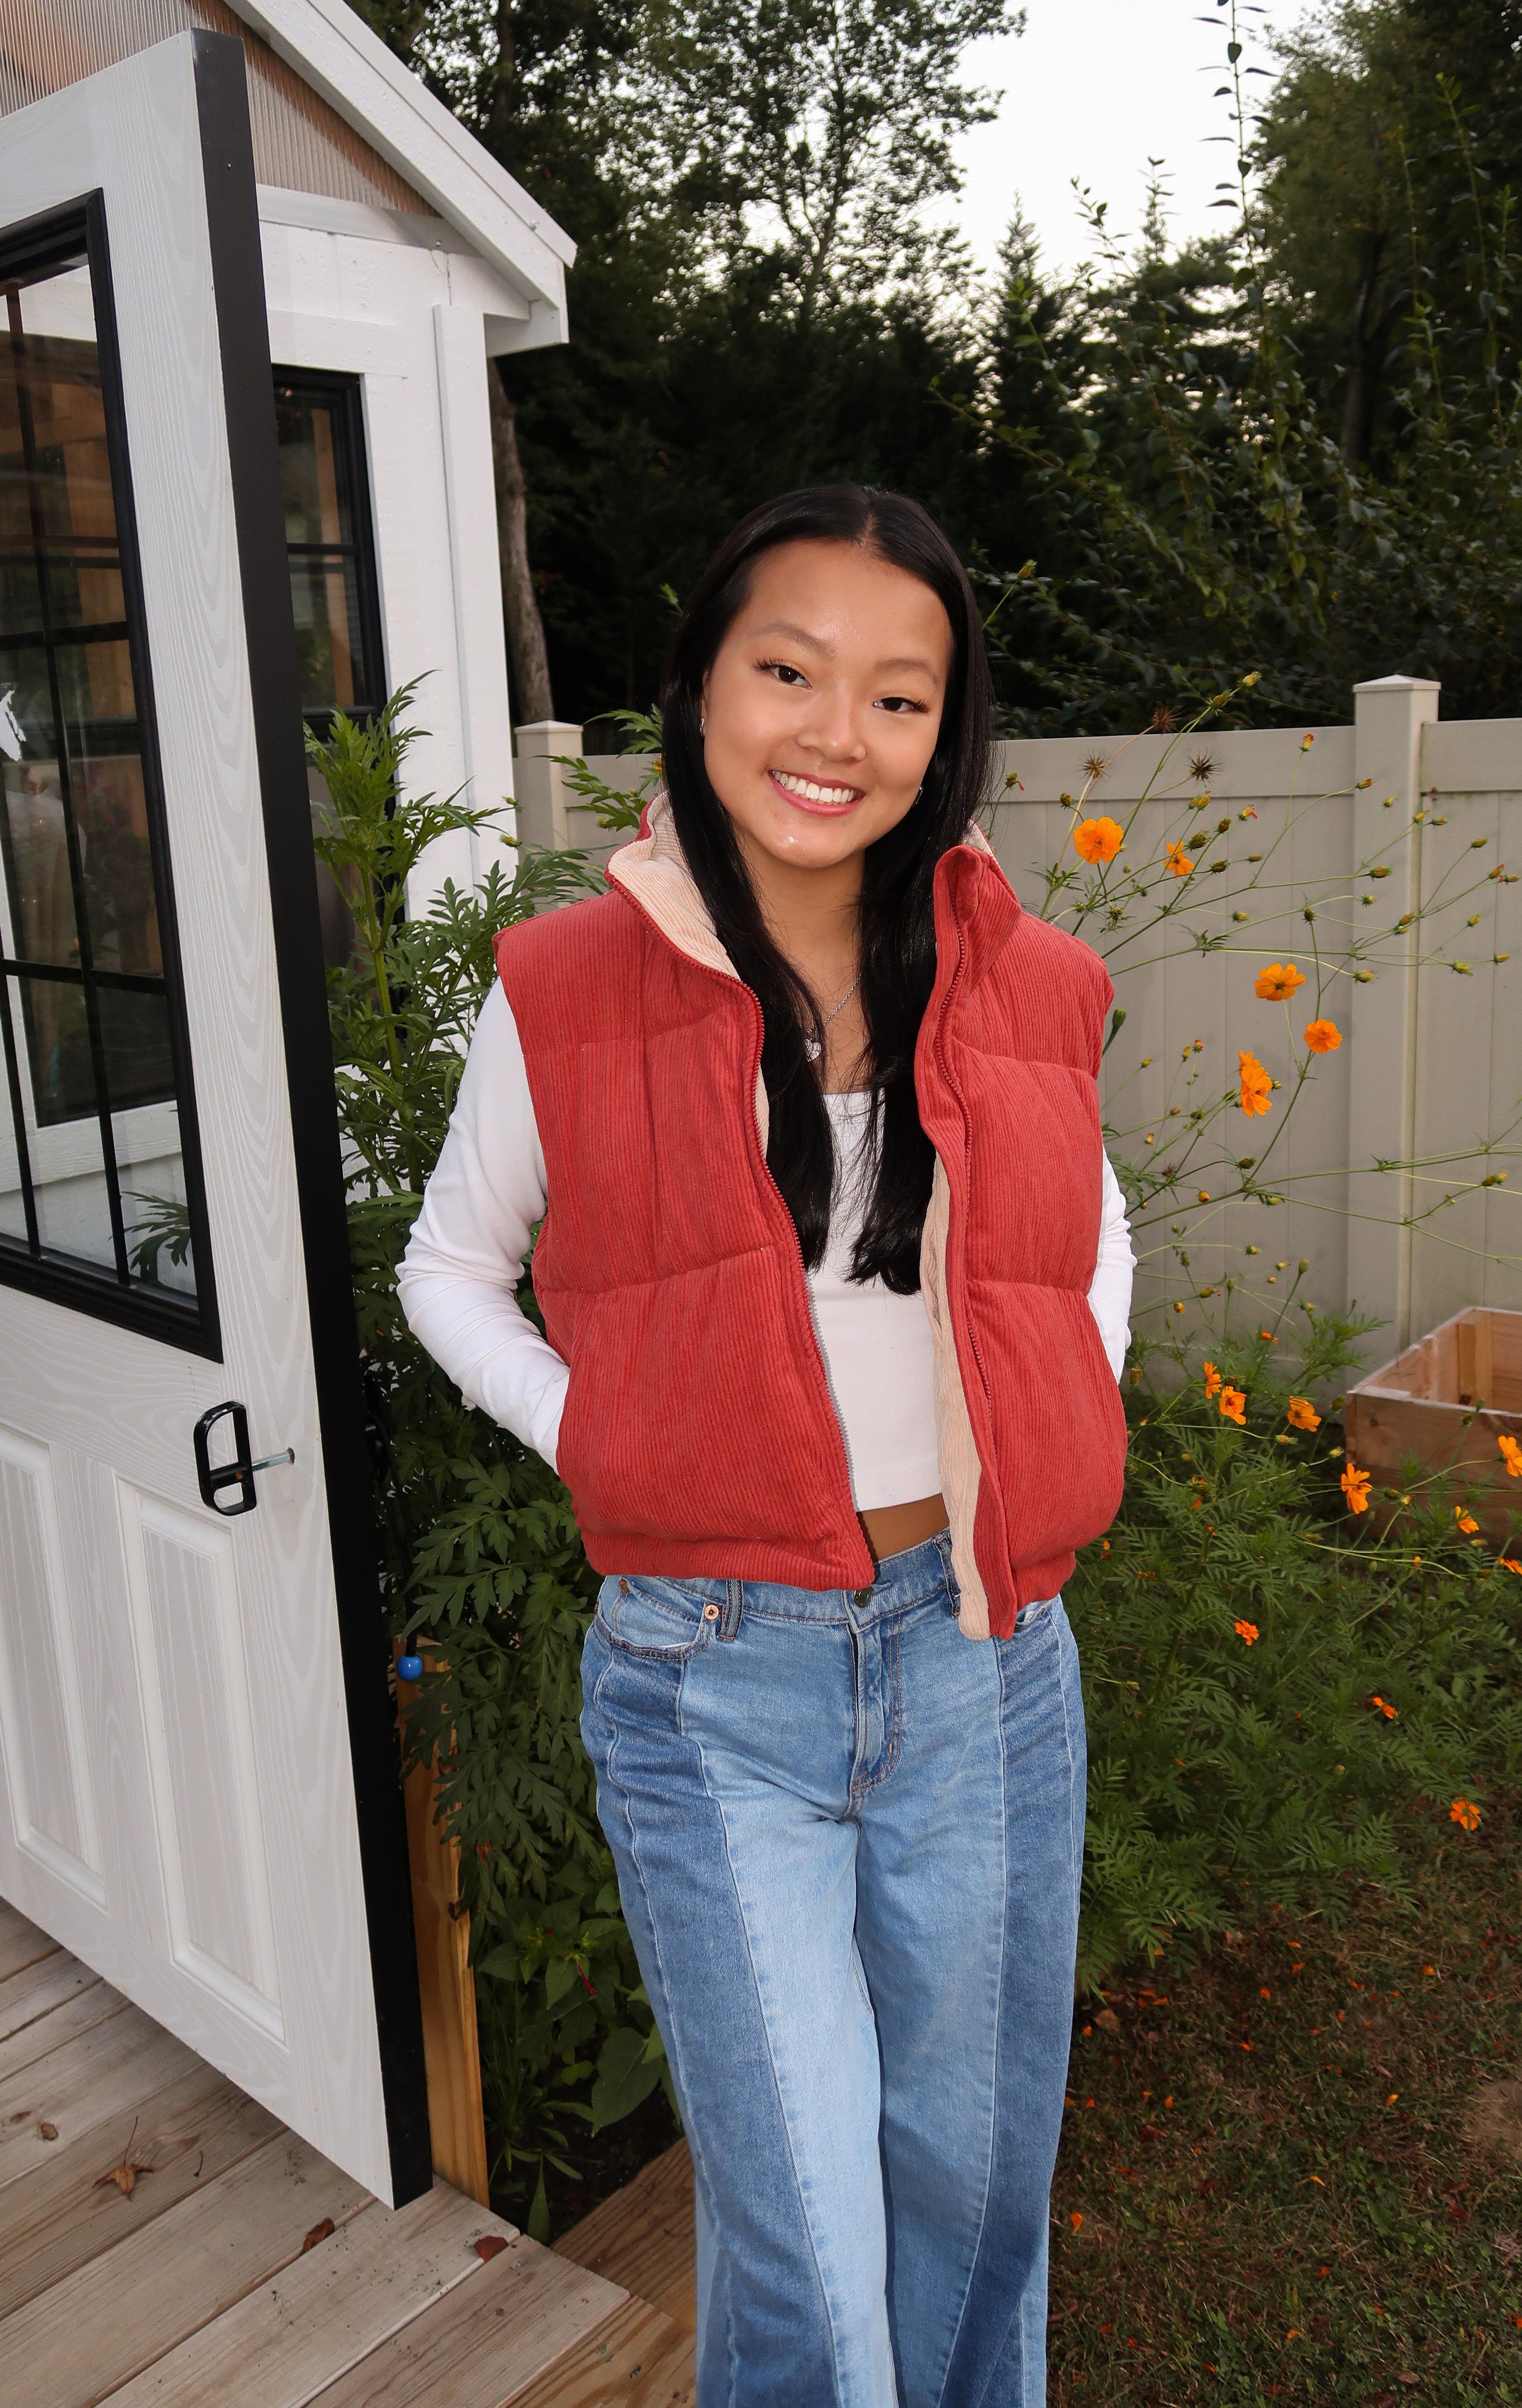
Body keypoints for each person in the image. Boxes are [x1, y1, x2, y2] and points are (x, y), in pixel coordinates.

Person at [399, 484, 1133, 2405]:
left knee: (974, 2194)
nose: (838, 733)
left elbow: (1089, 1248)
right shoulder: (565, 990)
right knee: (805, 2230)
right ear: (702, 684)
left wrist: (1056, 1427)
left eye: (901, 696)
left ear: (947, 730)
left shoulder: (1028, 985)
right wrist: (621, 1441)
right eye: (789, 670)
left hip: (983, 1660)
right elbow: (447, 1274)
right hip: (710, 1683)